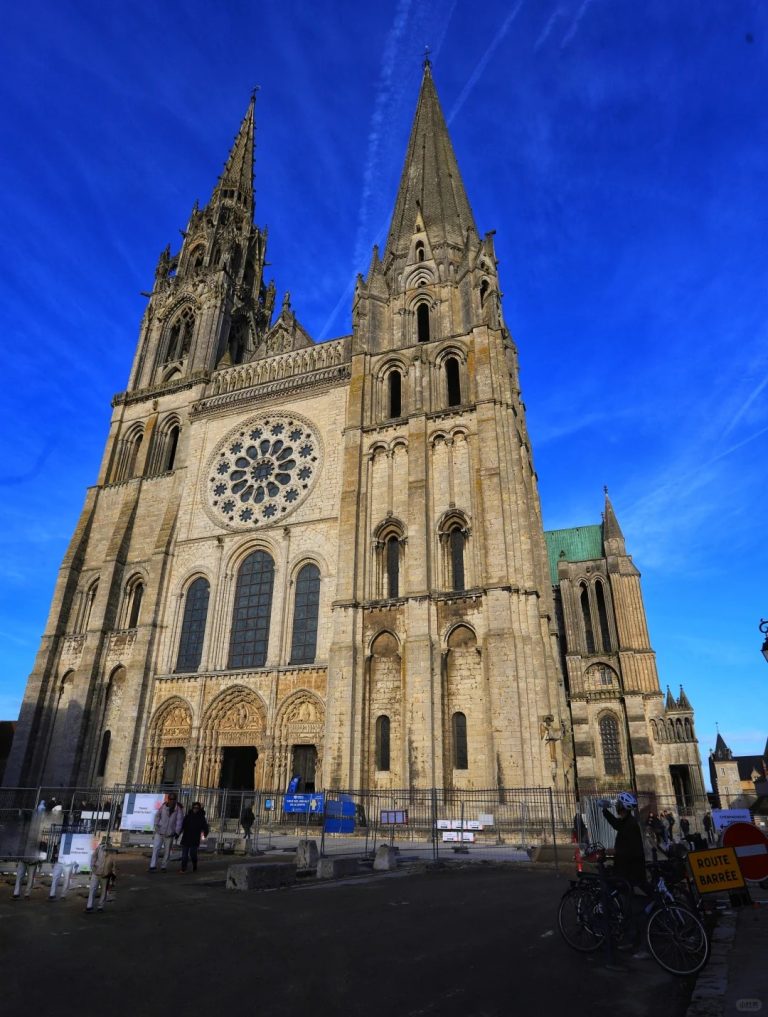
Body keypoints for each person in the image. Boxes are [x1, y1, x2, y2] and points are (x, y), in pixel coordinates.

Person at [601, 791, 646, 887]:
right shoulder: (626, 821)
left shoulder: (631, 824)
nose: (616, 806)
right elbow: (616, 824)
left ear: (622, 807)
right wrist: (605, 810)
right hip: (625, 867)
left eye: (618, 804)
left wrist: (615, 851)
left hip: (630, 869)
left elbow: (634, 850)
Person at [149, 793, 184, 871]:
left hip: (169, 833)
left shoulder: (178, 809)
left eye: (173, 799)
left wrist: (176, 832)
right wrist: (156, 825)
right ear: (168, 799)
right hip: (160, 831)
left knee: (167, 851)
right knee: (156, 848)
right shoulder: (163, 806)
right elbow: (157, 815)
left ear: (176, 800)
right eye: (170, 799)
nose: (172, 801)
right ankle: (152, 865)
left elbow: (179, 821)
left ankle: (164, 866)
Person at [179, 802, 209, 873]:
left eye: (197, 808)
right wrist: (178, 833)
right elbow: (183, 826)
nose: (195, 809)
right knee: (184, 855)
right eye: (194, 808)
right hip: (186, 837)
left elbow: (205, 827)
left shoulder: (201, 818)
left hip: (195, 838)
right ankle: (183, 868)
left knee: (193, 854)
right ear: (192, 808)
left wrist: (205, 833)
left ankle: (194, 864)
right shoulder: (188, 816)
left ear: (199, 809)